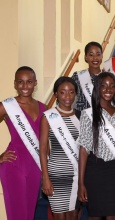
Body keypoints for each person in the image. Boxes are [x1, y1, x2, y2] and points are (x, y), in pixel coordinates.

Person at [78, 72, 115, 219]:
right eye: (104, 86)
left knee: (114, 216)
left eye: (112, 86)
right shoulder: (88, 114)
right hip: (95, 170)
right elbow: (84, 149)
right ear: (97, 88)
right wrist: (81, 183)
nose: (108, 90)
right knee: (95, 216)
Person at [0, 66, 46, 220]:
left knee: (28, 215)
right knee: (17, 214)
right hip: (14, 164)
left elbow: (46, 141)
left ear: (35, 83)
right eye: (20, 82)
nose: (25, 86)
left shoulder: (43, 107)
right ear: (14, 84)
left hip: (35, 166)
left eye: (29, 82)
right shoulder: (6, 106)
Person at [40, 77, 80, 219]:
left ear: (76, 94)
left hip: (76, 176)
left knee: (73, 217)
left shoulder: (81, 116)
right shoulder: (48, 117)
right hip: (55, 176)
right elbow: (43, 149)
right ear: (56, 94)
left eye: (71, 92)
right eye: (63, 92)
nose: (67, 96)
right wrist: (45, 178)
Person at [71, 41, 103, 111]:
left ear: (102, 56)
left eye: (98, 54)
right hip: (82, 118)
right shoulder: (77, 77)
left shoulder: (108, 77)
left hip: (104, 119)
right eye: (91, 55)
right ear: (86, 57)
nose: (95, 58)